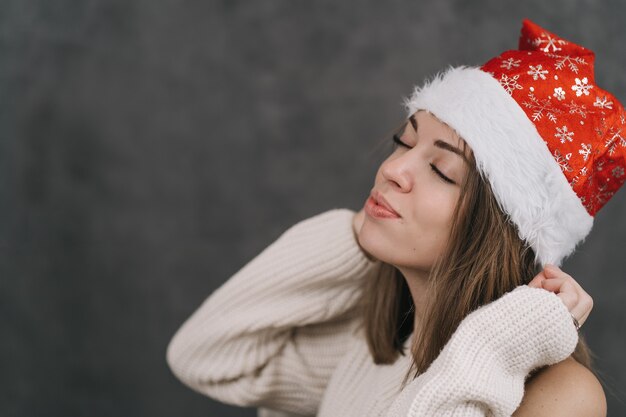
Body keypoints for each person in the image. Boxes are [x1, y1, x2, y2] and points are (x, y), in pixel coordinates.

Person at [166, 19, 623, 416]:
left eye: (441, 172)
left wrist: (495, 346)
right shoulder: (372, 357)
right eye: (404, 143)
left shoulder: (561, 395)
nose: (391, 170)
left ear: (502, 229)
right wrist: (355, 237)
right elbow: (206, 356)